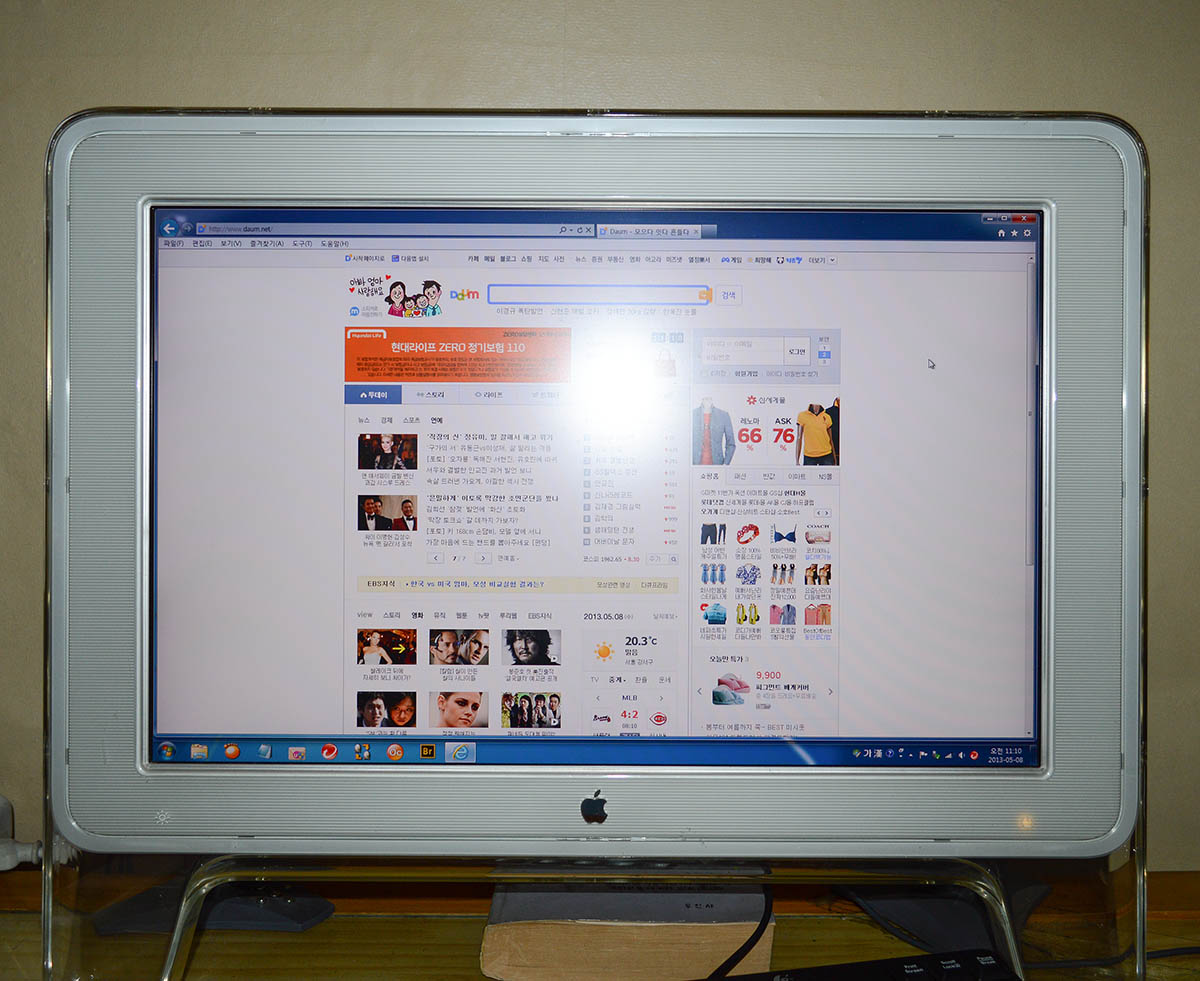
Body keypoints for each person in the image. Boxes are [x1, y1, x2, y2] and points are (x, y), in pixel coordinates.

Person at [692, 397, 736, 465]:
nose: (707, 399)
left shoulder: (723, 415)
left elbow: (731, 443)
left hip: (717, 464)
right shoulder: (692, 414)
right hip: (695, 465)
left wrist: (725, 464)